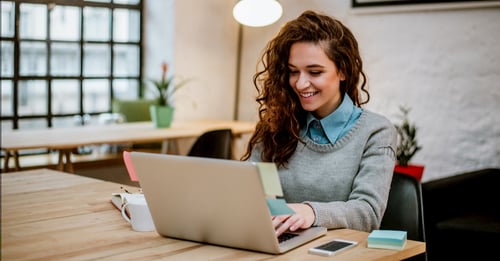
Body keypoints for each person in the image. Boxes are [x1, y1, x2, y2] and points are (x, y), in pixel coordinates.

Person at [241, 10, 397, 237]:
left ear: (343, 70)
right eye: (293, 72)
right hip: (279, 247)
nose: (301, 83)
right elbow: (256, 189)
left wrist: (310, 212)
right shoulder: (278, 124)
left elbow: (367, 212)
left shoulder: (375, 132)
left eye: (314, 72)